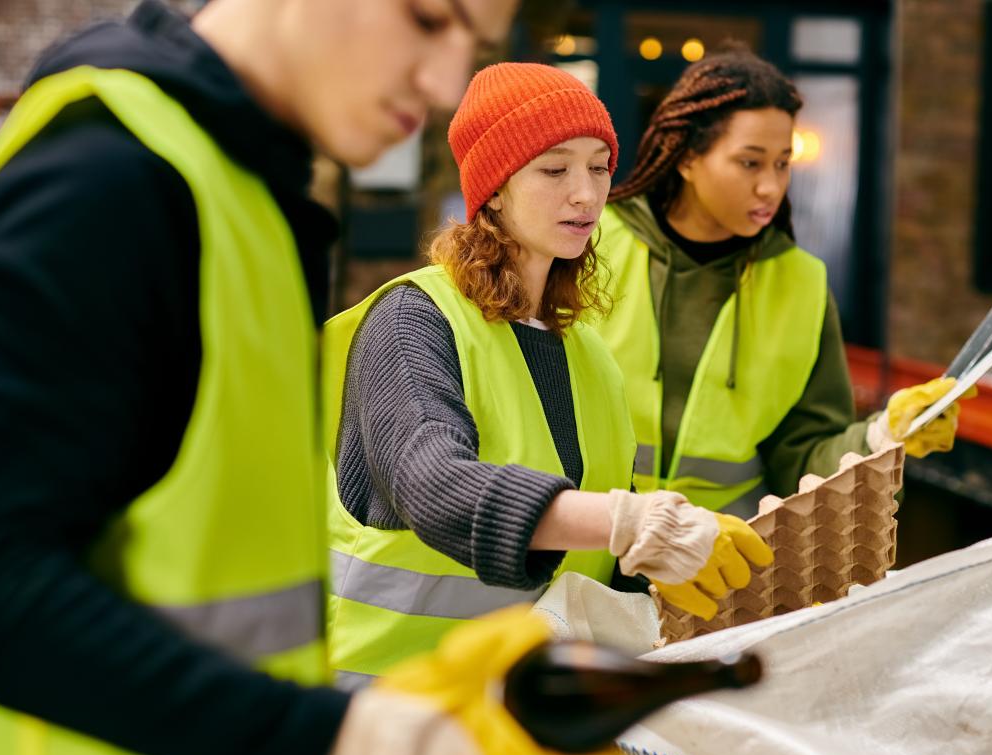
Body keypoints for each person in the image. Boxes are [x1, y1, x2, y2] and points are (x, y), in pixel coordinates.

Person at [0, 2, 650, 755]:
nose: (443, 84)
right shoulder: (107, 182)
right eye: (429, 19)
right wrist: (339, 736)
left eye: (467, 43)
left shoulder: (248, 198)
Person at [322, 62, 774, 686]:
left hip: (528, 717)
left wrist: (668, 555)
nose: (586, 194)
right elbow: (431, 484)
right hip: (393, 713)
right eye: (555, 169)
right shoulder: (411, 321)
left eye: (599, 167)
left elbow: (587, 546)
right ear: (495, 188)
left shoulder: (586, 352)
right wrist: (627, 522)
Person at [592, 44, 973, 516]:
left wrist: (884, 436)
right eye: (750, 162)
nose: (771, 186)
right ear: (688, 159)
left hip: (721, 564)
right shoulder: (591, 245)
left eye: (782, 163)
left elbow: (805, 457)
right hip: (585, 555)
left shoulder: (801, 284)